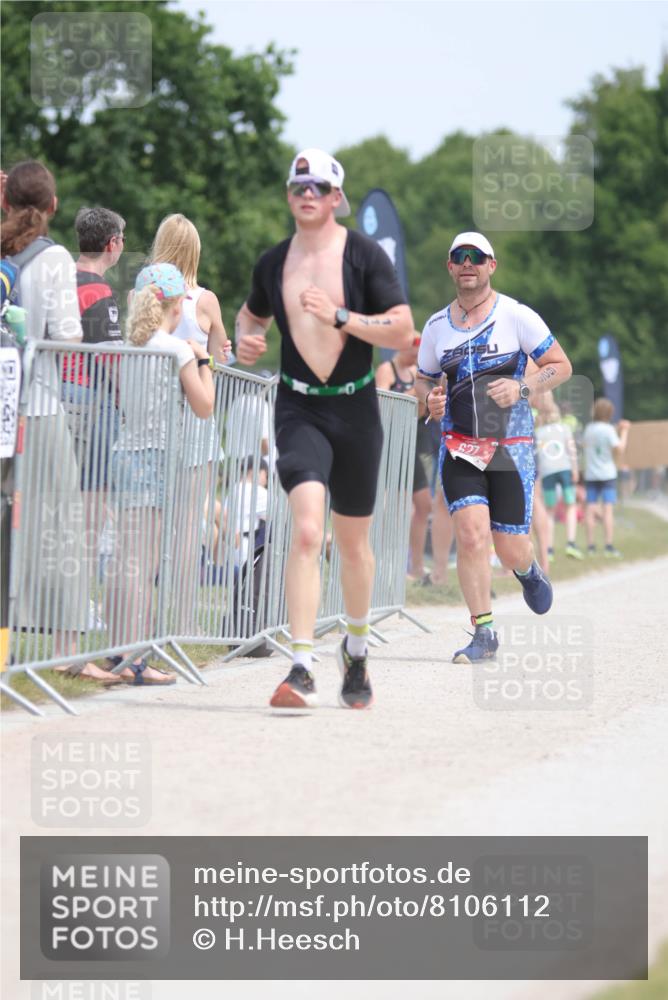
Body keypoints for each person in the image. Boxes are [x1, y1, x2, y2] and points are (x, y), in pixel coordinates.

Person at [236, 147, 414, 709]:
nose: (306, 195)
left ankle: (356, 652)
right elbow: (251, 314)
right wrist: (246, 337)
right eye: (297, 187)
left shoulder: (362, 256)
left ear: (336, 198)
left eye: (317, 187)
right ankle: (301, 666)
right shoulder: (273, 262)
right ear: (289, 197)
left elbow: (401, 328)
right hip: (299, 407)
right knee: (308, 531)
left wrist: (340, 316)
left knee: (355, 546)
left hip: (356, 408)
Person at [416, 232, 572, 663]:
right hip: (460, 445)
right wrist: (428, 401)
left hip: (511, 447)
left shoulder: (517, 316)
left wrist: (522, 387)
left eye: (477, 257)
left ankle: (527, 569)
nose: (468, 263)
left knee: (509, 548)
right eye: (459, 257)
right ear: (450, 266)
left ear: (491, 265)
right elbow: (423, 381)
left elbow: (561, 366)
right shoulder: (435, 327)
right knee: (470, 535)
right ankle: (483, 631)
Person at [1, 161, 121, 683]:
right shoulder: (51, 260)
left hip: (5, 402)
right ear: (52, 207)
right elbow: (67, 334)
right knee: (63, 529)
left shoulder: (4, 253)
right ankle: (72, 652)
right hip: (42, 403)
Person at [109, 262, 215, 684]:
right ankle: (137, 656)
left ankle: (118, 648)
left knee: (124, 558)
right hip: (155, 456)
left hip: (124, 451)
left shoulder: (125, 347)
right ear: (175, 309)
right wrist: (202, 357)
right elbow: (204, 406)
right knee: (144, 560)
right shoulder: (175, 350)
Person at [375, 335, 434, 583]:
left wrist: (425, 395)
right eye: (415, 350)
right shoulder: (386, 370)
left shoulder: (415, 372)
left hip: (410, 445)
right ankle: (384, 564)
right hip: (388, 445)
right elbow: (382, 405)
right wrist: (415, 390)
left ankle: (416, 565)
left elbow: (421, 413)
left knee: (423, 505)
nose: (417, 356)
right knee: (389, 509)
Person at [583, 397, 630, 557]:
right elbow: (619, 449)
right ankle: (608, 546)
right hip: (607, 474)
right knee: (607, 510)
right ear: (610, 413)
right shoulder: (609, 430)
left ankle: (590, 546)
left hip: (591, 474)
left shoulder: (589, 429)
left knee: (590, 509)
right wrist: (624, 431)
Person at [534, 403, 583, 559]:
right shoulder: (565, 428)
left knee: (550, 510)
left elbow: (538, 455)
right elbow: (571, 450)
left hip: (547, 472)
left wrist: (539, 476)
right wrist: (575, 468)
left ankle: (548, 549)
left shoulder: (538, 432)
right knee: (570, 506)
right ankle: (570, 543)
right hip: (564, 469)